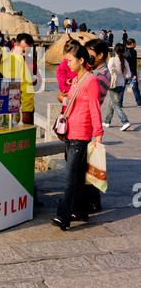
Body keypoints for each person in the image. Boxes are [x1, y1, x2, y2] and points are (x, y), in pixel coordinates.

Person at [51, 43, 103, 230]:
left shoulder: (91, 81)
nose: (67, 64)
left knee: (70, 176)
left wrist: (98, 134)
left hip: (80, 134)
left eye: (70, 60)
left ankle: (63, 215)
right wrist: (63, 99)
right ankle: (80, 210)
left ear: (81, 60)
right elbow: (76, 102)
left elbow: (94, 109)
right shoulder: (75, 80)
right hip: (70, 132)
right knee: (78, 174)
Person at [85, 38, 111, 213]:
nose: (87, 57)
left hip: (88, 123)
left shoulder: (100, 76)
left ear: (100, 55)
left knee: (87, 165)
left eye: (90, 54)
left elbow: (90, 101)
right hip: (89, 121)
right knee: (87, 164)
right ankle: (91, 200)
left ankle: (93, 202)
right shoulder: (96, 71)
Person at [103, 43, 131, 131]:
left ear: (115, 50)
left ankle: (125, 121)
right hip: (121, 85)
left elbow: (108, 72)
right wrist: (122, 76)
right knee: (110, 104)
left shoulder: (112, 59)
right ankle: (107, 121)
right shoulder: (125, 61)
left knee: (115, 105)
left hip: (113, 85)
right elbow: (129, 75)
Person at [119, 38, 141, 107]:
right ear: (132, 44)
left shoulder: (123, 51)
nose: (135, 45)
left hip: (123, 71)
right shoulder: (133, 52)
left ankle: (119, 102)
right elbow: (133, 64)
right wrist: (134, 74)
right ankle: (139, 102)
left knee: (122, 88)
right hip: (131, 72)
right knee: (135, 87)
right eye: (134, 44)